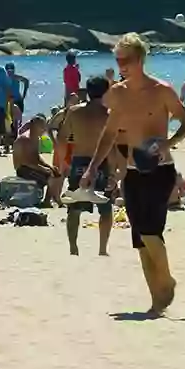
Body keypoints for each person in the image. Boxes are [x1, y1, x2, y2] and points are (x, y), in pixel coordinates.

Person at [81, 34, 185, 315]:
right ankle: (156, 302)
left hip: (160, 170)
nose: (122, 66)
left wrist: (167, 143)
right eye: (118, 60)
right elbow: (108, 134)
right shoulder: (117, 93)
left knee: (150, 231)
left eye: (126, 60)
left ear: (140, 59)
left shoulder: (162, 90)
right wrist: (93, 167)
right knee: (140, 240)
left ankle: (166, 279)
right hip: (131, 172)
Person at [59, 76, 116, 256]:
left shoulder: (74, 112)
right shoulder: (109, 114)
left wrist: (63, 163)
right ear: (107, 92)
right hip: (102, 162)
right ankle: (102, 249)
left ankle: (73, 248)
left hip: (79, 161)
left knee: (74, 208)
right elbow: (114, 145)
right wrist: (114, 172)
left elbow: (61, 139)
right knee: (106, 209)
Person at [13, 115, 62, 206]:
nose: (44, 129)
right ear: (35, 126)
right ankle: (49, 201)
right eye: (42, 126)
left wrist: (48, 166)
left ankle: (53, 198)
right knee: (50, 176)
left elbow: (37, 158)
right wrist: (44, 169)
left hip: (31, 166)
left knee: (56, 172)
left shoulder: (37, 138)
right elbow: (25, 162)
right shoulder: (25, 139)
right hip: (23, 169)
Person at [5, 63, 29, 133]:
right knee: (10, 119)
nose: (10, 72)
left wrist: (24, 93)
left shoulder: (16, 77)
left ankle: (16, 133)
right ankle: (11, 133)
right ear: (6, 70)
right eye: (8, 70)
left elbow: (26, 81)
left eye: (12, 70)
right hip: (9, 101)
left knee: (18, 119)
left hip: (18, 100)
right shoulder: (4, 79)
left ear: (14, 70)